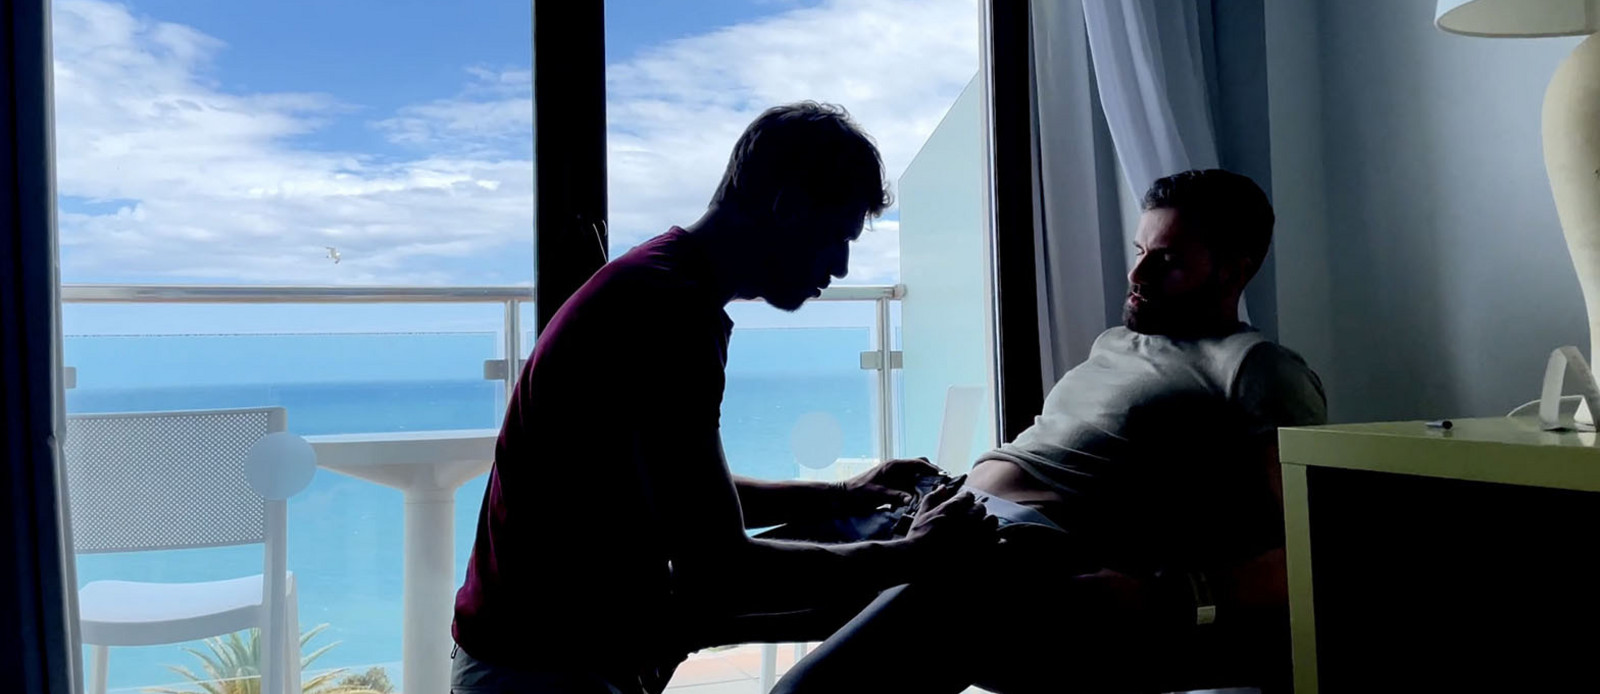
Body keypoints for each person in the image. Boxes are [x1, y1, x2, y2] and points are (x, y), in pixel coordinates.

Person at [449, 102, 996, 694]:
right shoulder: (671, 312)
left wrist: (843, 494)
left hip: (526, 653)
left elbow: (682, 498)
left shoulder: (661, 282)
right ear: (788, 209)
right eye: (838, 238)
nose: (841, 267)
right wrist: (913, 555)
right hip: (541, 671)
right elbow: (722, 570)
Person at [772, 169, 1328, 694]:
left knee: (805, 691)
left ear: (1232, 271)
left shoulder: (1256, 368)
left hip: (1010, 554)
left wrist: (1169, 596)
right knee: (724, 585)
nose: (1137, 276)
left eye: (1168, 260)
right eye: (1140, 252)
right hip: (937, 512)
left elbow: (1309, 546)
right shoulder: (1117, 341)